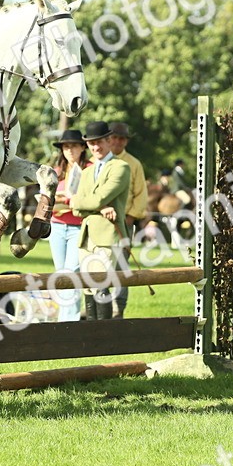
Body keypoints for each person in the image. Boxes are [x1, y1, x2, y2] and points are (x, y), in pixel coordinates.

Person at [71, 121, 131, 320]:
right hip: (86, 237)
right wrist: (101, 208)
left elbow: (94, 199)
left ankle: (104, 335)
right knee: (87, 287)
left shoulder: (121, 167)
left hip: (108, 235)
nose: (95, 147)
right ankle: (91, 334)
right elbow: (75, 207)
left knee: (101, 283)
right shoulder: (87, 171)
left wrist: (89, 203)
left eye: (99, 142)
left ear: (109, 141)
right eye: (91, 144)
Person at [47, 129, 89, 321]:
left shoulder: (89, 170)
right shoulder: (56, 172)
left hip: (78, 228)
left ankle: (69, 322)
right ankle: (64, 319)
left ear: (82, 147)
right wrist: (62, 200)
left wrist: (68, 200)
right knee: (61, 274)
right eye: (66, 146)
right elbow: (46, 201)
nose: (69, 150)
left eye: (73, 145)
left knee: (71, 273)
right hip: (56, 227)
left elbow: (88, 199)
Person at [107, 123, 147, 317]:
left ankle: (118, 307)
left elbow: (141, 194)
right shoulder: (96, 160)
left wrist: (130, 218)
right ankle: (99, 306)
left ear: (126, 141)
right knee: (98, 264)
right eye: (113, 137)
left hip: (125, 221)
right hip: (99, 223)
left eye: (121, 138)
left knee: (121, 265)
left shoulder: (134, 163)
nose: (117, 141)